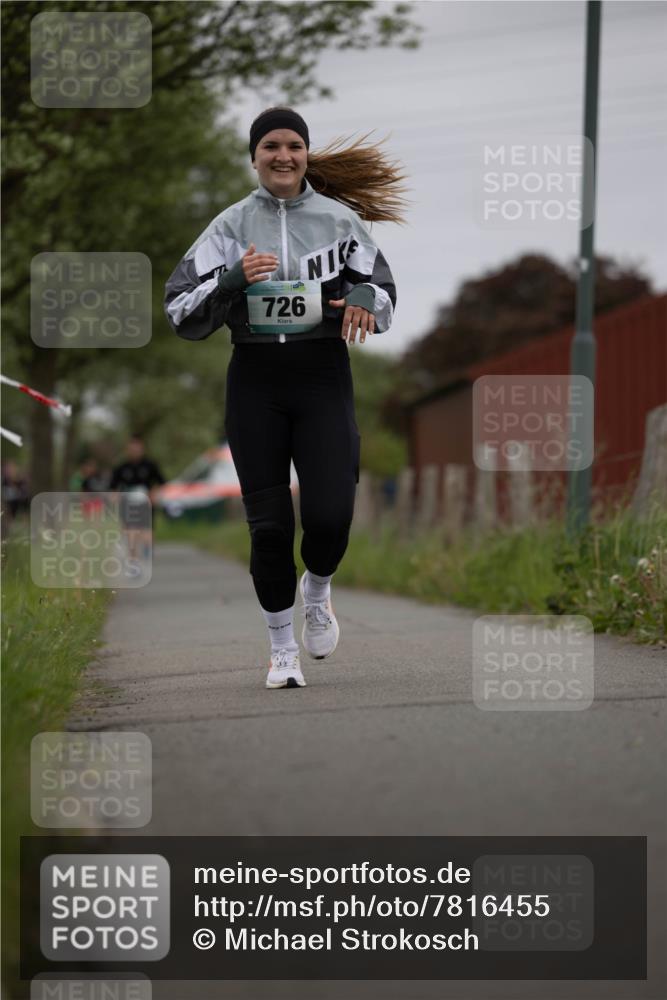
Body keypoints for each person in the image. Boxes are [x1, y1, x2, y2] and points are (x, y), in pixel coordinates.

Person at [164, 107, 406, 690]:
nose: (282, 156)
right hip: (255, 382)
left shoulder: (339, 220)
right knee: (269, 528)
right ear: (254, 156)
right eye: (270, 145)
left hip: (323, 377)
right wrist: (233, 279)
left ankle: (317, 590)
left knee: (329, 516)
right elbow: (178, 310)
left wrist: (365, 299)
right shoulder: (228, 226)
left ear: (306, 155)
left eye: (293, 145)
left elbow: (386, 297)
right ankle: (280, 648)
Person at [109, 434, 166, 561]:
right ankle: (133, 559)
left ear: (142, 448)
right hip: (128, 504)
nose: (134, 451)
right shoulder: (121, 468)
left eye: (137, 448)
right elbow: (113, 487)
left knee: (146, 532)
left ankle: (147, 548)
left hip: (146, 503)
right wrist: (115, 498)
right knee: (131, 531)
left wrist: (154, 494)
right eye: (131, 448)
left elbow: (161, 483)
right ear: (127, 450)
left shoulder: (150, 465)